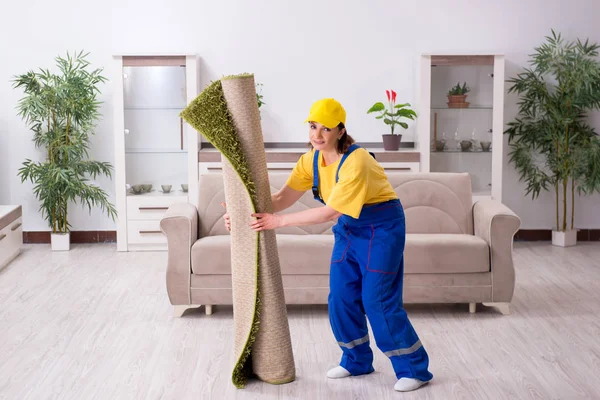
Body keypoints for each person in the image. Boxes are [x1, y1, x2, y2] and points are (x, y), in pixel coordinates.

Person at [222, 98, 433, 392]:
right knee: (341, 297)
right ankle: (356, 360)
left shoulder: (357, 160)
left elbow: (331, 211)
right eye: (312, 126)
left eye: (325, 128)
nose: (316, 135)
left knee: (377, 301)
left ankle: (414, 368)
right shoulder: (311, 160)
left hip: (382, 227)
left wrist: (277, 223)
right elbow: (281, 198)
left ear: (340, 130)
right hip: (349, 229)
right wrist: (243, 211)